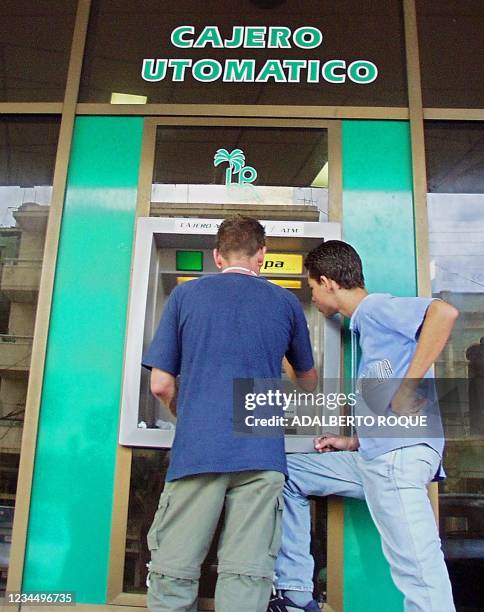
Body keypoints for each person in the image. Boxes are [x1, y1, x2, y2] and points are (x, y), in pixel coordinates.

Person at [269, 240, 458, 612]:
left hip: (397, 458)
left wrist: (407, 389)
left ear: (328, 283)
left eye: (311, 288)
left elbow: (444, 314)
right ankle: (293, 595)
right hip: (377, 455)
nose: (314, 297)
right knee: (288, 472)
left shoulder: (375, 310)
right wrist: (352, 441)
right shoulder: (364, 329)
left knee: (418, 570)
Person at [142, 215, 317, 612]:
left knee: (175, 569)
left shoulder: (186, 296)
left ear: (218, 256)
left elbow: (160, 384)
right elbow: (308, 381)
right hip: (260, 449)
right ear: (263, 255)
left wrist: (185, 412)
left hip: (198, 448)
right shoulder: (287, 302)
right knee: (247, 574)